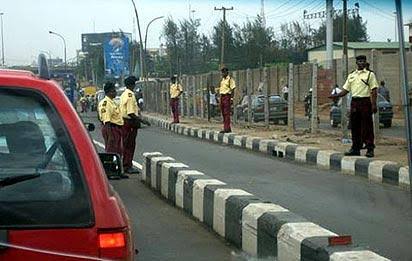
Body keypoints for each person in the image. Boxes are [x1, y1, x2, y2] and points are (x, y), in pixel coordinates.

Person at [329, 55, 379, 158]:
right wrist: (336, 96)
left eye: (363, 61)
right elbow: (346, 90)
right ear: (356, 63)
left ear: (365, 62)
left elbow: (374, 90)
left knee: (367, 126)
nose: (361, 63)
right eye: (359, 61)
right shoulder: (352, 75)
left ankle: (370, 149)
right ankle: (355, 148)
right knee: (355, 126)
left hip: (365, 102)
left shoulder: (370, 74)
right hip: (355, 102)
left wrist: (373, 104)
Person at [98, 82, 124, 158]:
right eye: (113, 91)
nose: (115, 93)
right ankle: (110, 168)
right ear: (108, 92)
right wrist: (110, 136)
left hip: (116, 128)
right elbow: (107, 121)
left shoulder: (112, 102)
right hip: (111, 128)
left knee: (118, 151)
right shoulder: (106, 103)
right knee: (111, 151)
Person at [120, 76, 141, 174]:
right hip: (130, 122)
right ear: (131, 85)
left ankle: (126, 164)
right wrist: (140, 120)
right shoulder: (130, 95)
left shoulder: (124, 94)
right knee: (130, 145)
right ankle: (127, 165)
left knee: (126, 144)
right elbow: (130, 112)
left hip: (125, 122)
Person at [217, 67, 236, 133]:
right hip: (222, 96)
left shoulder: (230, 79)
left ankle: (226, 128)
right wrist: (219, 98)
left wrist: (231, 98)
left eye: (224, 72)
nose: (223, 73)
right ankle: (227, 127)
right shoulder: (222, 80)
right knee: (223, 113)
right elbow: (221, 90)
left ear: (227, 72)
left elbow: (233, 89)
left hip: (227, 96)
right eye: (222, 72)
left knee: (226, 112)